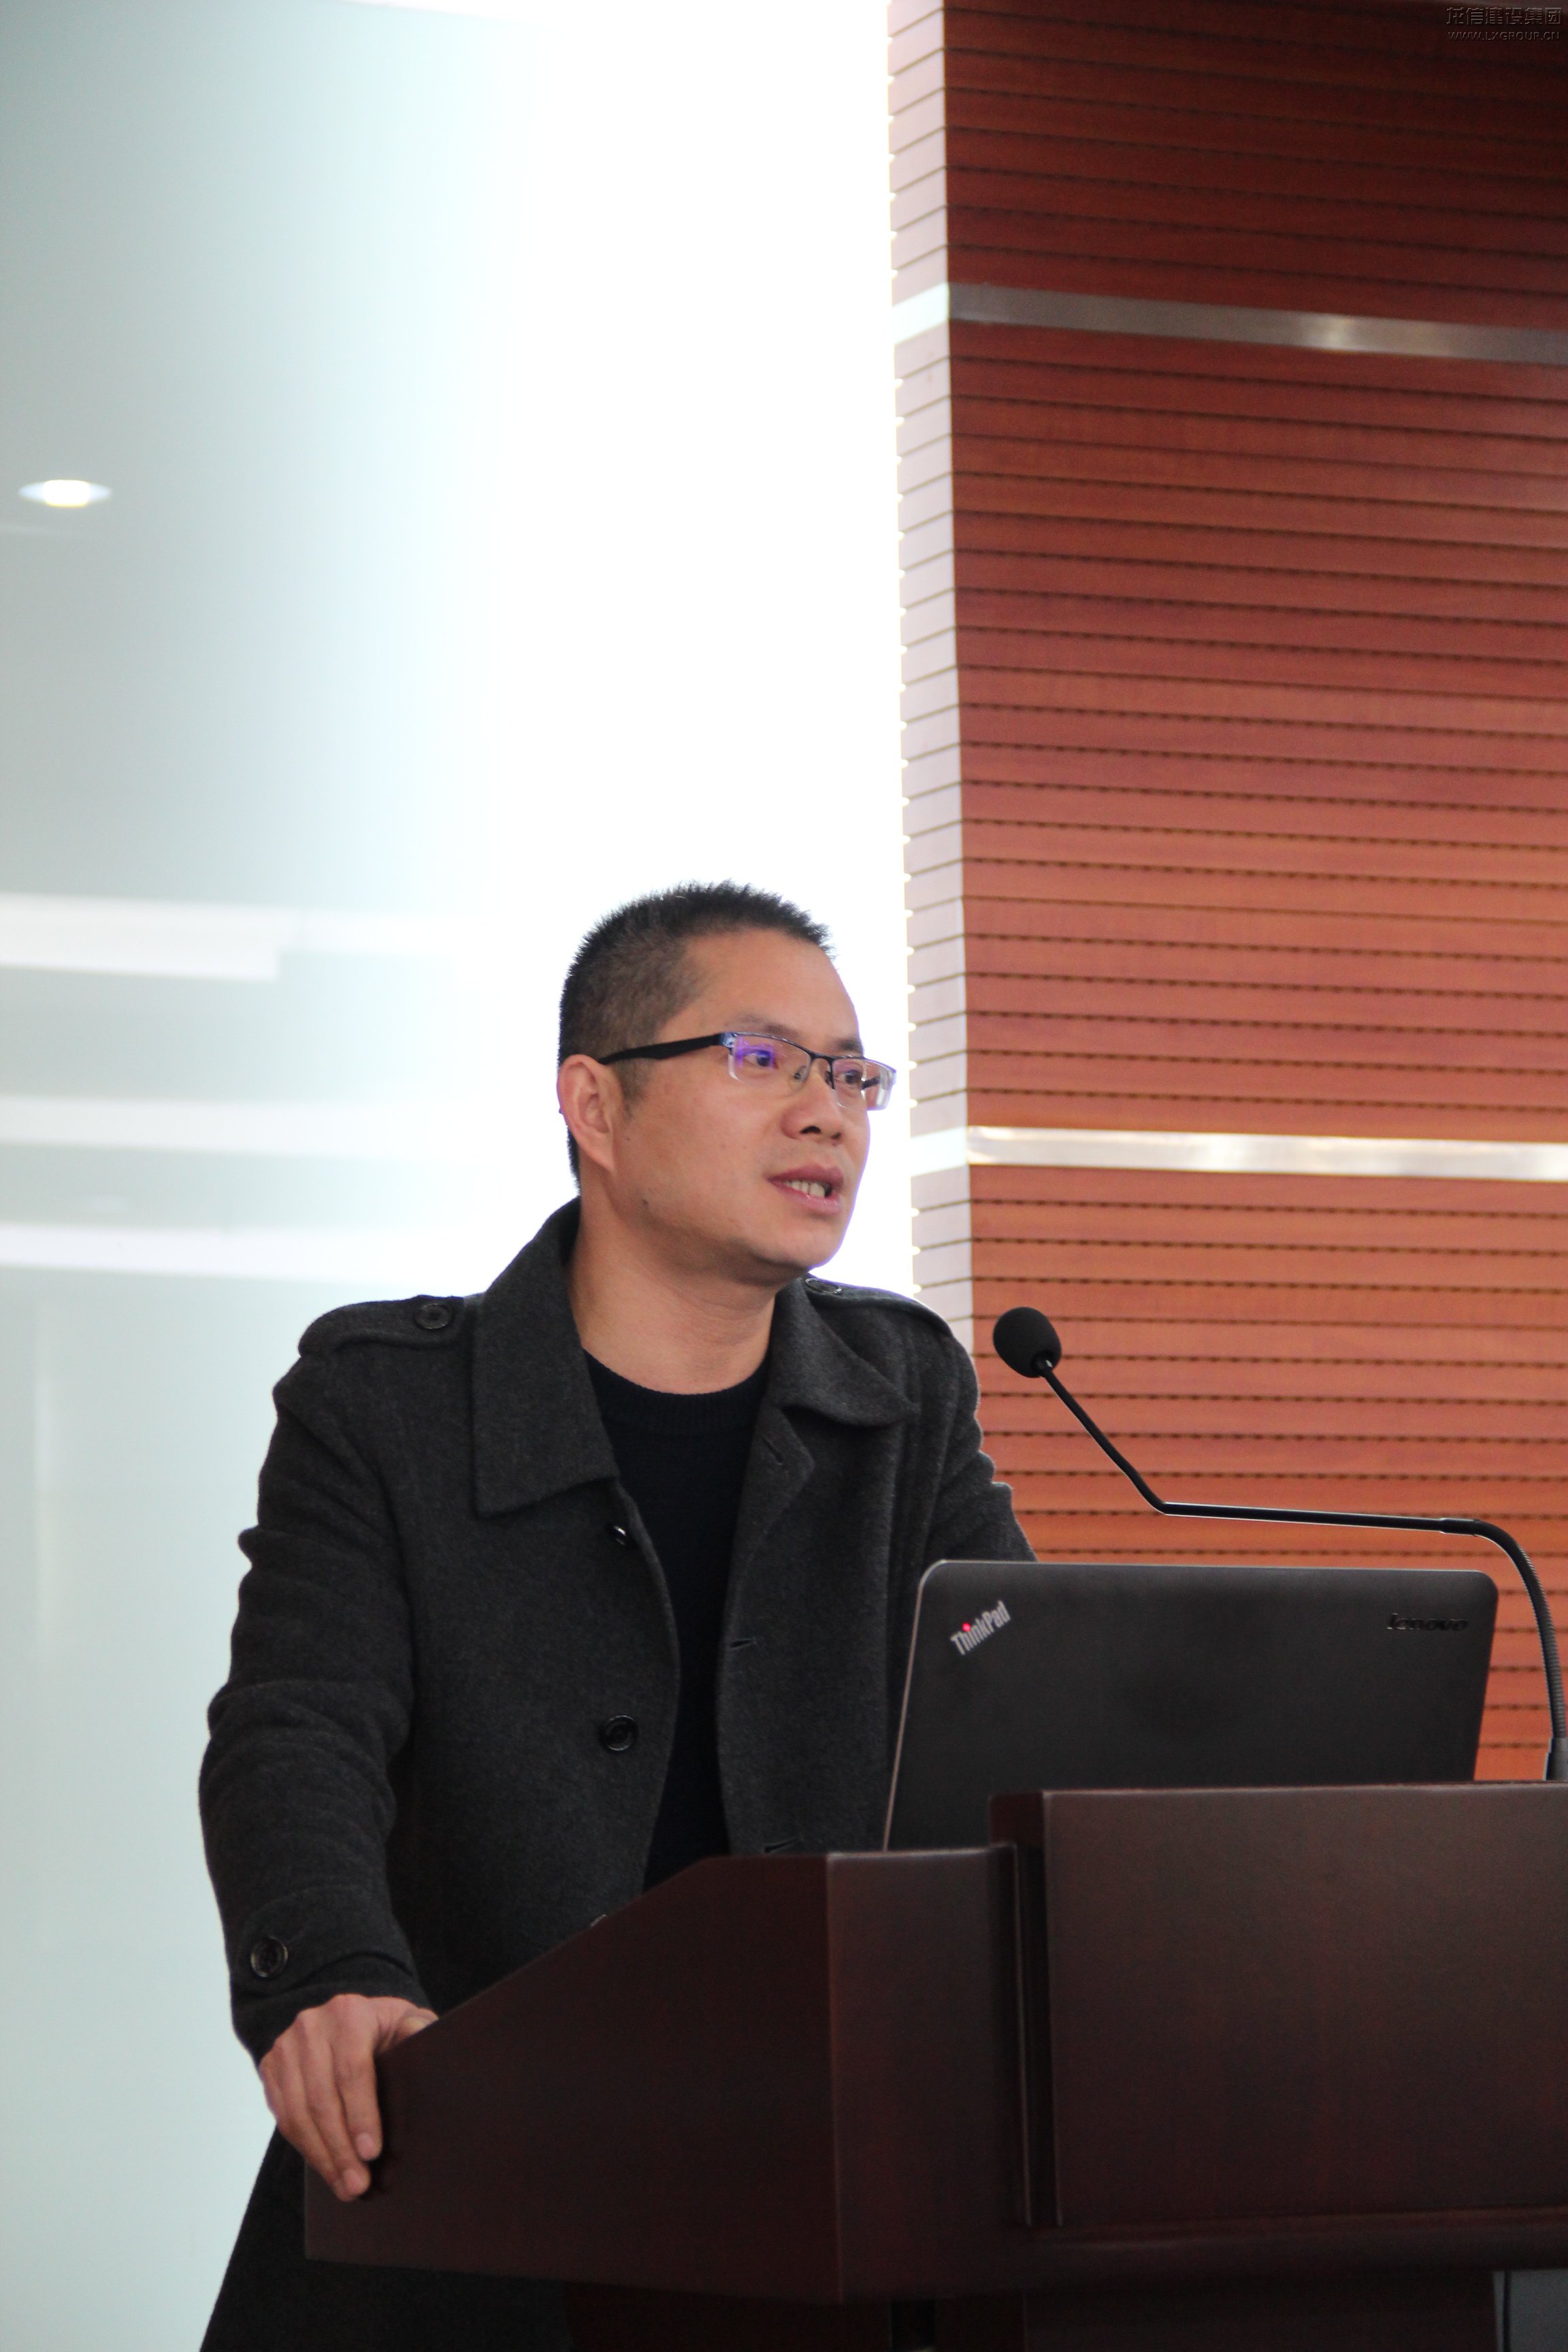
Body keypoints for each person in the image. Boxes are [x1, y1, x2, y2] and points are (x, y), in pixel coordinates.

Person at [199, 881, 1032, 2350]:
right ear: (595, 1104)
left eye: (852, 1074)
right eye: (764, 1059)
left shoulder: (904, 1398)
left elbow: (1019, 1713)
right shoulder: (387, 1407)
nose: (829, 1113)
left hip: (821, 2191)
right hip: (471, 2185)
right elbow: (299, 1730)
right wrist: (329, 1975)